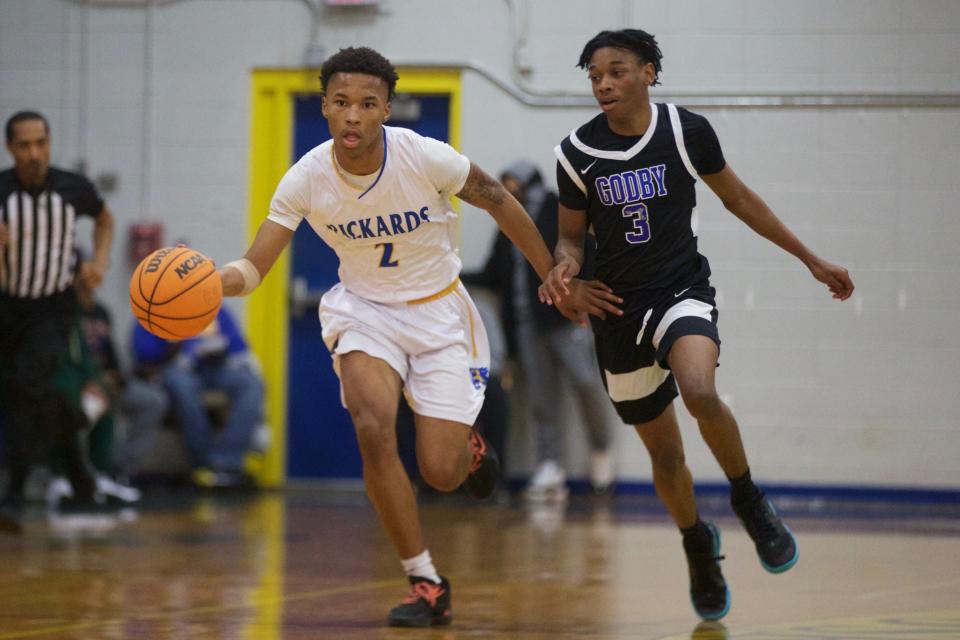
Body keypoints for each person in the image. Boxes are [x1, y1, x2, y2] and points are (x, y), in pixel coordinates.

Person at [216, 47, 557, 628]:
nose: (353, 115)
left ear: (386, 110)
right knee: (373, 426)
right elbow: (253, 268)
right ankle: (425, 580)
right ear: (324, 106)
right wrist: (211, 284)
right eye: (342, 102)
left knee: (441, 474)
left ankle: (468, 451)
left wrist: (550, 273)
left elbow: (501, 203)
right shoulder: (305, 178)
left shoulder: (426, 157)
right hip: (365, 313)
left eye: (367, 104)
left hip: (438, 314)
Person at [540, 29, 854, 621]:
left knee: (699, 388)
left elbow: (739, 199)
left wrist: (810, 258)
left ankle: (749, 499)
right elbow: (570, 239)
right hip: (616, 311)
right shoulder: (575, 153)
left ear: (649, 73)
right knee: (665, 459)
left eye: (615, 70)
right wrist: (565, 272)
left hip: (680, 290)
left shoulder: (687, 131)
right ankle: (697, 546)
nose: (603, 83)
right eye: (594, 76)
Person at [0, 111, 115, 533]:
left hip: (53, 307)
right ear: (10, 148)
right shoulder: (1, 192)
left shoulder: (72, 188)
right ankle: (80, 474)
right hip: (6, 305)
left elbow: (105, 220)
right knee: (36, 395)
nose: (34, 153)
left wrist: (99, 263)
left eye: (41, 143)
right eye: (25, 145)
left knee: (27, 388)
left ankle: (14, 493)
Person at [502, 161, 613, 500]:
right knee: (541, 399)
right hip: (528, 324)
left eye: (514, 184)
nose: (510, 192)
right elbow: (498, 270)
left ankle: (601, 450)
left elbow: (585, 252)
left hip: (566, 319)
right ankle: (550, 467)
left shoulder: (555, 209)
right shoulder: (506, 219)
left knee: (586, 384)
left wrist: (582, 296)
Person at [132, 306, 264, 488]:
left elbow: (239, 345)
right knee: (181, 385)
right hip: (177, 369)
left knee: (252, 383)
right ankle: (204, 461)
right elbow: (143, 352)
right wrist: (172, 344)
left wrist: (219, 348)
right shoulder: (157, 305)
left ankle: (228, 462)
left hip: (215, 368)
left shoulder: (214, 307)